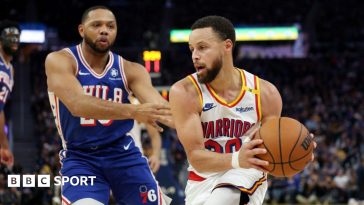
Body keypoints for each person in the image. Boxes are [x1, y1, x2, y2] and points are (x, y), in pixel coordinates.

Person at [169, 16, 315, 205]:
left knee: (225, 196)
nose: (194, 55)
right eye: (192, 49)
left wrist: (298, 151)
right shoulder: (184, 92)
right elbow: (196, 158)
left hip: (247, 174)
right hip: (202, 182)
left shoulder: (265, 93)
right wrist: (237, 158)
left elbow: (273, 151)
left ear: (227, 46)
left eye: (202, 47)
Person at [45, 6, 172, 205]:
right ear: (81, 30)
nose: (104, 30)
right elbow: (78, 104)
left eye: (110, 26)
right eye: (96, 25)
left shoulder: (131, 69)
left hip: (123, 153)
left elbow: (161, 109)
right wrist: (134, 111)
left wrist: (200, 118)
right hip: (80, 157)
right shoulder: (60, 60)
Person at [0, 20, 20, 167]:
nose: (14, 39)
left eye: (16, 36)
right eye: (10, 35)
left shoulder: (11, 70)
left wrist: (4, 145)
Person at [129, 95, 161, 173]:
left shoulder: (137, 104)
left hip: (134, 158)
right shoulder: (102, 103)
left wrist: (156, 155)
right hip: (107, 158)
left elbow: (154, 135)